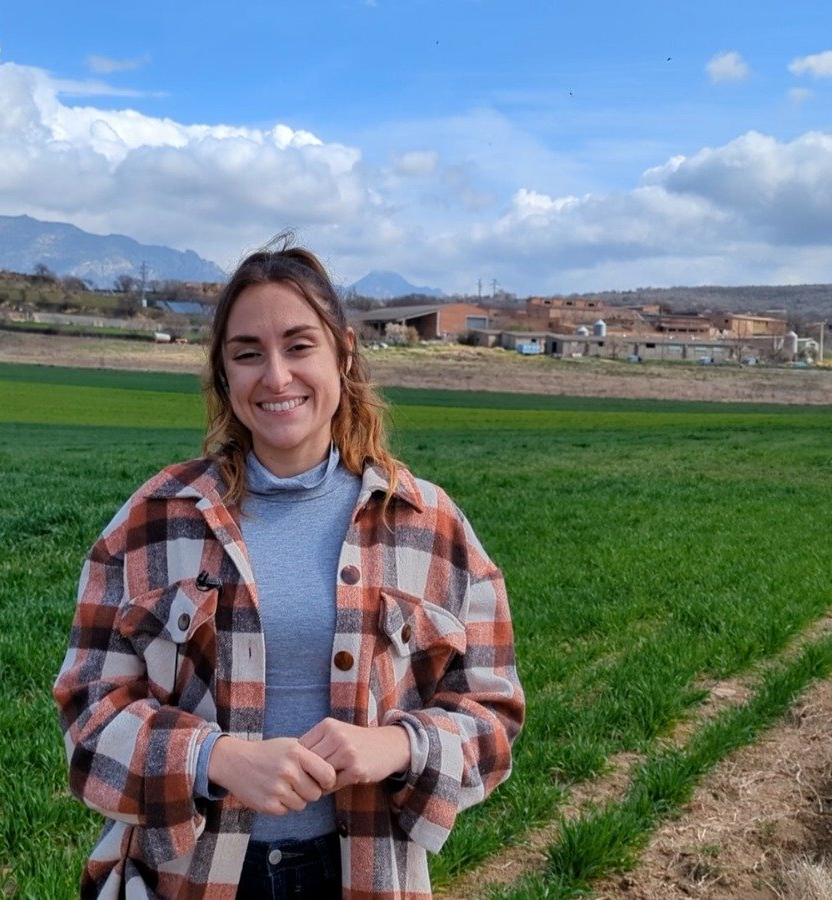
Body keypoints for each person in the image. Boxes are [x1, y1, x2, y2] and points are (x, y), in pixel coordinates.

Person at [53, 241, 524, 899]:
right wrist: (212, 759)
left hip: (361, 876)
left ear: (344, 354)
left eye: (299, 346)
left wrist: (398, 746)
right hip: (189, 876)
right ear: (223, 374)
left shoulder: (429, 524)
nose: (276, 377)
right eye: (248, 353)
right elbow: (87, 716)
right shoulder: (153, 521)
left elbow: (494, 712)